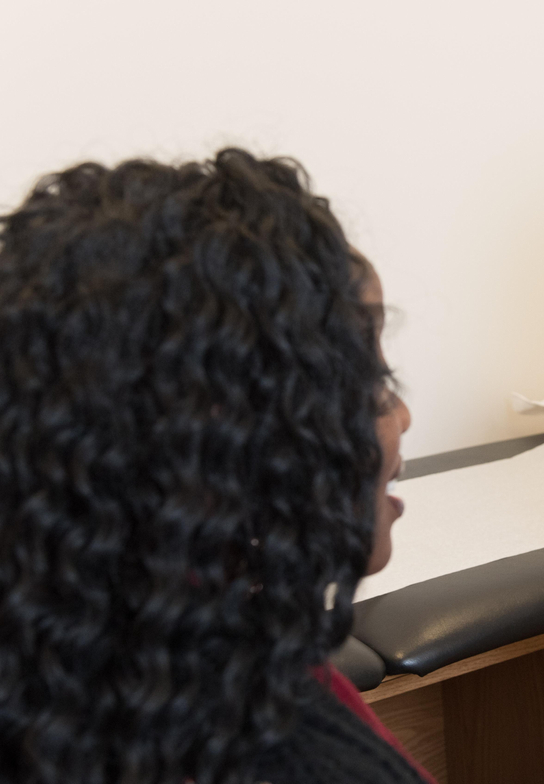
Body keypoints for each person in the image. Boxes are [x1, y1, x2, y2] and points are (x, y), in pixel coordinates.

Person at [0, 149, 431, 784]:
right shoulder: (288, 754)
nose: (402, 420)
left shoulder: (62, 661)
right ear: (234, 437)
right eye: (374, 385)